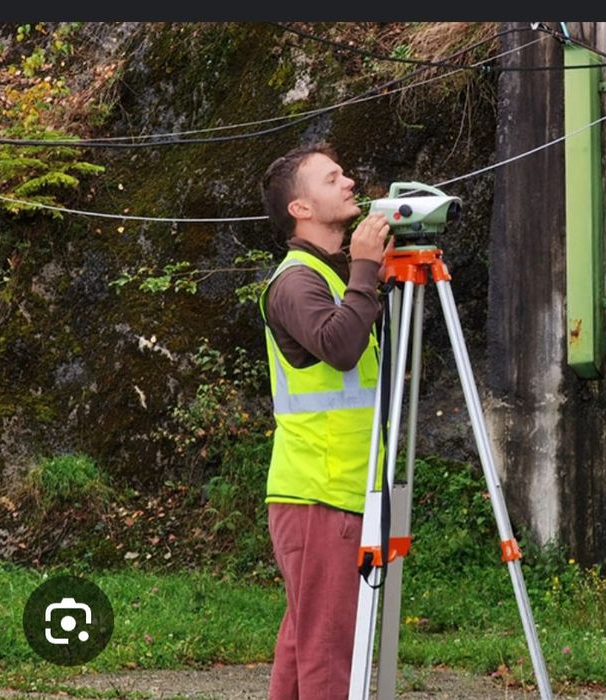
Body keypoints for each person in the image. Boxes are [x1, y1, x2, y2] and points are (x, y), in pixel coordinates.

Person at [258, 142, 390, 699]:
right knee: (330, 655)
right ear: (301, 208)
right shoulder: (297, 282)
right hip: (321, 493)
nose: (349, 182)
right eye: (332, 178)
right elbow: (338, 347)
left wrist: (368, 277)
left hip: (332, 491)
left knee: (305, 646)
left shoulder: (327, 279)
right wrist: (365, 269)